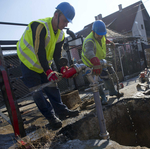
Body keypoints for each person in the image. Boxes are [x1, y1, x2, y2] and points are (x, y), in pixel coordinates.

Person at [17, 2, 79, 130]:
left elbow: (57, 55)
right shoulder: (40, 26)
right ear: (56, 15)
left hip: (43, 65)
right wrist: (49, 71)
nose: (66, 24)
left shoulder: (61, 34)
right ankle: (51, 118)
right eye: (64, 21)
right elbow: (39, 51)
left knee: (52, 87)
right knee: (37, 93)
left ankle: (62, 111)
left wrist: (61, 67)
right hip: (28, 64)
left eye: (68, 22)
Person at [81, 20, 124, 105]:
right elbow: (89, 52)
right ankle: (103, 97)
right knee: (96, 82)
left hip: (99, 62)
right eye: (99, 34)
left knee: (107, 77)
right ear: (93, 32)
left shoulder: (101, 35)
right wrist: (95, 62)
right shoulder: (89, 40)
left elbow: (104, 39)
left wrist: (110, 42)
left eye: (102, 34)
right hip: (90, 64)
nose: (101, 36)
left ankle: (112, 91)